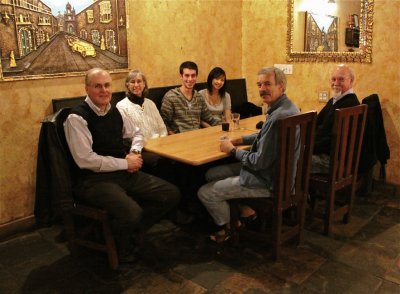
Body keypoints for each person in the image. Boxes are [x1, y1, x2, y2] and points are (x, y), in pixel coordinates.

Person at [64, 68, 181, 263]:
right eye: (97, 86)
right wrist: (125, 163)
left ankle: (132, 233)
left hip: (122, 172)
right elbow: (85, 160)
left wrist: (135, 152)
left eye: (107, 85)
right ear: (87, 88)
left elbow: (136, 133)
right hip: (92, 181)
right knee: (132, 213)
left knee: (171, 194)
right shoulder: (77, 118)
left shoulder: (114, 111)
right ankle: (118, 245)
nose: (104, 90)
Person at [197, 67, 300, 243]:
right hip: (282, 174)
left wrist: (231, 150)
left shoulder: (277, 118)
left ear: (281, 86)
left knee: (205, 192)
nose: (261, 89)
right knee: (211, 174)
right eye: (259, 84)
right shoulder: (288, 108)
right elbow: (264, 137)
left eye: (267, 84)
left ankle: (230, 227)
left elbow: (258, 162)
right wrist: (239, 140)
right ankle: (245, 210)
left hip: (269, 181)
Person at [116, 69, 171, 179]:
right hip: (141, 149)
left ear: (144, 84)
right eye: (132, 82)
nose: (136, 85)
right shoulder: (121, 106)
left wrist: (161, 143)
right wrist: (149, 147)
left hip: (161, 145)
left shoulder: (150, 103)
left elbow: (162, 127)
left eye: (139, 81)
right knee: (161, 162)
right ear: (127, 85)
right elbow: (128, 137)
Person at [312, 64, 360, 174]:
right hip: (324, 152)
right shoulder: (335, 100)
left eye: (341, 79)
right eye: (333, 79)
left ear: (351, 81)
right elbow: (317, 122)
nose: (336, 83)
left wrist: (309, 147)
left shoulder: (350, 105)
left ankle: (301, 191)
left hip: (333, 160)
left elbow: (334, 139)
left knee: (291, 159)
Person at [161, 61, 221, 134]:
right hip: (180, 139)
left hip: (198, 137)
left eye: (193, 75)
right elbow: (164, 123)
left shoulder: (199, 97)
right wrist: (174, 138)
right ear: (181, 76)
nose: (190, 79)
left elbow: (209, 119)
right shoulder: (171, 97)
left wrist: (226, 125)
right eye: (187, 75)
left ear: (196, 76)